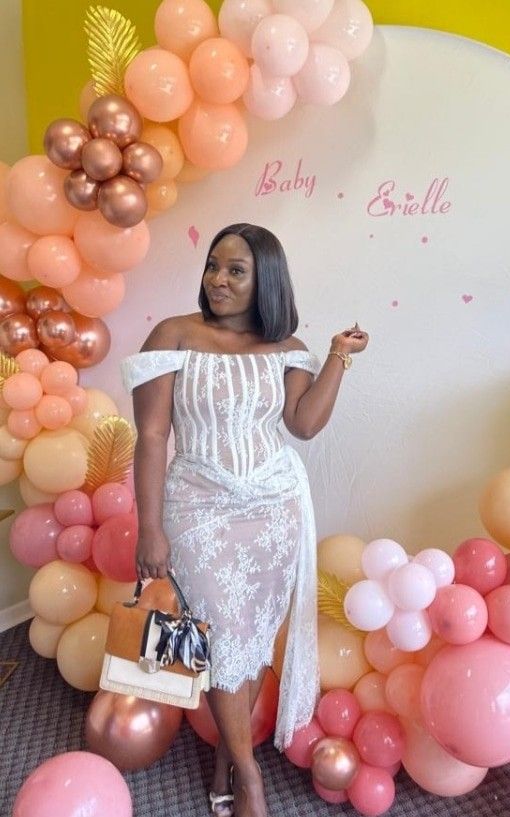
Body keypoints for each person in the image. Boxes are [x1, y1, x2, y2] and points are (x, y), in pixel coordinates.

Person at [121, 223, 368, 817]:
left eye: (236, 270)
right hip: (198, 508)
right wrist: (149, 527)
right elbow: (153, 435)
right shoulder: (174, 335)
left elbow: (304, 425)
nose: (219, 279)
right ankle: (251, 778)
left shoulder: (285, 349)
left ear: (266, 282)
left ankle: (227, 759)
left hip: (274, 508)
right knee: (223, 636)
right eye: (213, 265)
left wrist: (337, 356)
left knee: (251, 640)